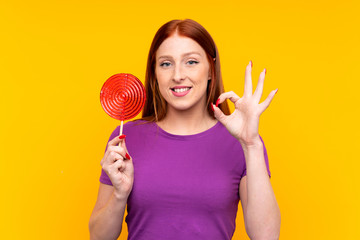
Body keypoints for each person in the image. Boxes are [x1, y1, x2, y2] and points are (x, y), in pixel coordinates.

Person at [89, 19, 281, 240]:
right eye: (166, 64)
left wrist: (251, 144)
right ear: (154, 73)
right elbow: (98, 237)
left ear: (211, 69)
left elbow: (266, 236)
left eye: (191, 62)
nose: (177, 75)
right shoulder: (126, 138)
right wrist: (119, 195)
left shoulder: (241, 142)